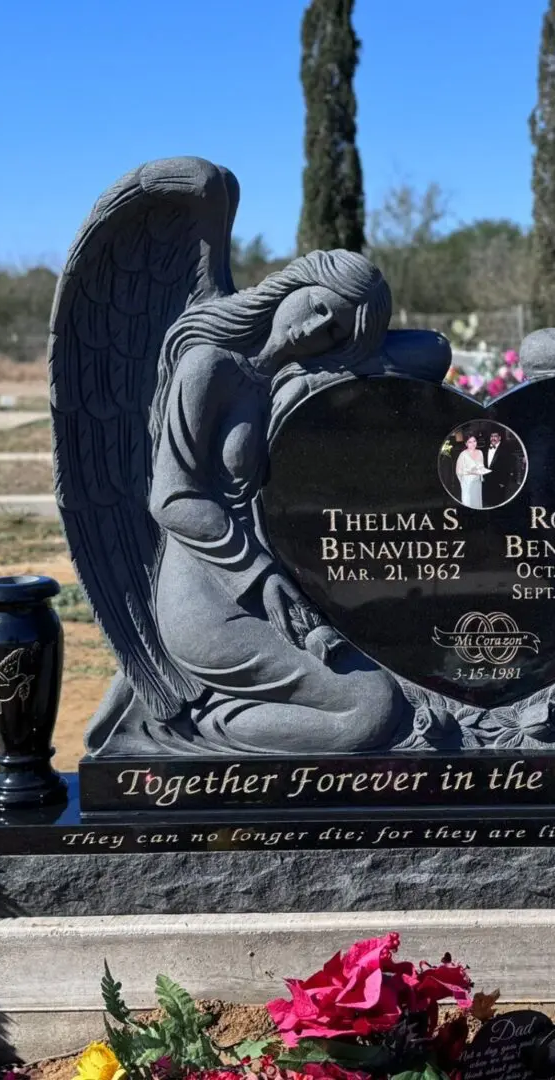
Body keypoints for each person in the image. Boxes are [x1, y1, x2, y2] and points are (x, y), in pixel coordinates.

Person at [144, 250, 408, 752]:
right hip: (211, 589)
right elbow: (172, 496)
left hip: (280, 586)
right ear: (291, 286)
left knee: (393, 681)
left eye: (333, 331)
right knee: (370, 708)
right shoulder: (209, 366)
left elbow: (429, 351)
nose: (314, 327)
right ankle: (202, 725)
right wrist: (258, 576)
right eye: (317, 304)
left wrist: (360, 349)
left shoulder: (287, 384)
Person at [454, 433, 490, 508]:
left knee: (477, 502)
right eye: (470, 442)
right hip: (467, 483)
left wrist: (482, 470)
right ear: (466, 443)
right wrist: (470, 472)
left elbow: (482, 466)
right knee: (468, 503)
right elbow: (458, 471)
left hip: (477, 482)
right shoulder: (463, 454)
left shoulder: (480, 452)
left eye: (474, 441)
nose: (473, 444)